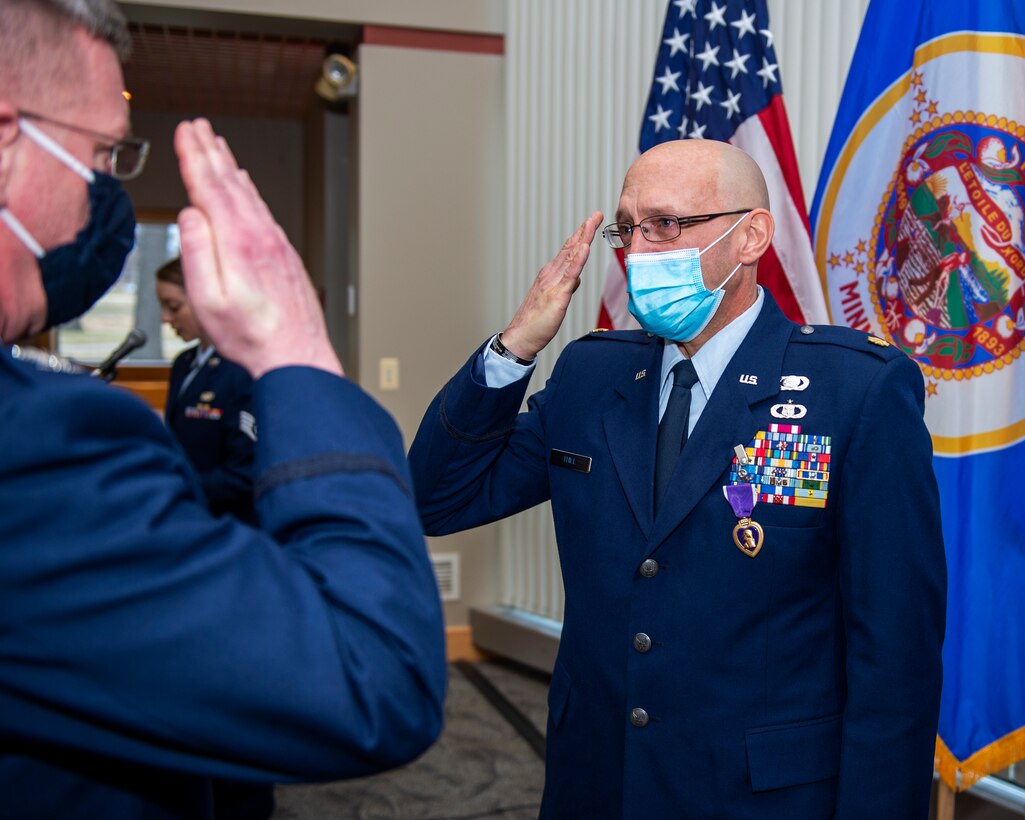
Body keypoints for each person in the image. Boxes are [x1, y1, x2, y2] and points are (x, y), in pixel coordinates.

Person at [410, 139, 946, 818]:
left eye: (665, 223)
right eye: (627, 228)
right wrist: (515, 346)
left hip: (762, 794)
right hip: (597, 777)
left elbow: (894, 652)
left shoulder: (853, 391)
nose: (638, 251)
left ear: (750, 235)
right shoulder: (591, 375)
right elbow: (435, 498)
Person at [0, 1, 445, 818]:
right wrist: (300, 353)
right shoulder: (28, 442)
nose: (105, 196)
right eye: (101, 153)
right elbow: (375, 676)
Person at [158, 257, 258, 526]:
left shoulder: (241, 368)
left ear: (204, 299)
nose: (165, 318)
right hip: (188, 515)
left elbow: (245, 473)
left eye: (173, 306)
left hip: (229, 523)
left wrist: (176, 487)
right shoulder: (184, 363)